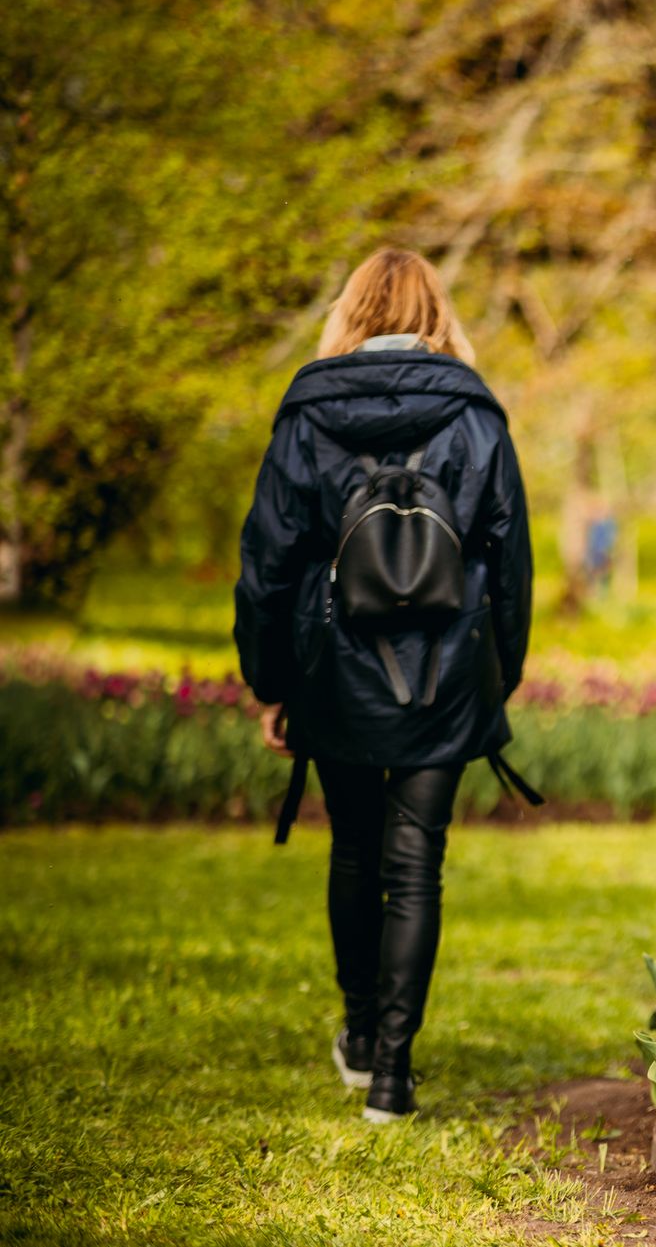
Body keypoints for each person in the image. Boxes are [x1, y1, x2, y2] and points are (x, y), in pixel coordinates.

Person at [233, 248, 534, 1123]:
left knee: (356, 853)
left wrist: (270, 683)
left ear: (352, 309)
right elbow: (509, 561)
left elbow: (269, 559)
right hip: (445, 674)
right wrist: (497, 677)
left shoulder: (309, 410)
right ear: (436, 310)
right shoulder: (476, 414)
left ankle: (362, 1041)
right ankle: (395, 1077)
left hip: (336, 669)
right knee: (418, 867)